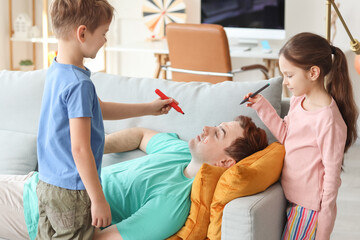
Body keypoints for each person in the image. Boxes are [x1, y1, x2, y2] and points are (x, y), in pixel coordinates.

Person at [0, 115, 268, 240]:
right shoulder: (178, 150)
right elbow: (140, 134)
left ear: (225, 162)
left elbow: (103, 239)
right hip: (36, 183)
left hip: (38, 211)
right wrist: (92, 149)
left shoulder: (174, 205)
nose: (207, 127)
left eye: (219, 133)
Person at [36, 0, 175, 239]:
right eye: (103, 34)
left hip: (47, 184)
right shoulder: (79, 84)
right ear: (82, 33)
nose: (104, 41)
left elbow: (97, 109)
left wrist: (149, 108)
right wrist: (98, 198)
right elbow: (80, 149)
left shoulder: (57, 70)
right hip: (73, 191)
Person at [244, 32, 358, 240]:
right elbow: (286, 136)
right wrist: (261, 105)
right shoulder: (299, 101)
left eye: (289, 75)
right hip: (290, 196)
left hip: (308, 209)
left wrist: (324, 228)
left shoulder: (328, 120)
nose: (286, 82)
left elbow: (332, 179)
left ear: (313, 72)